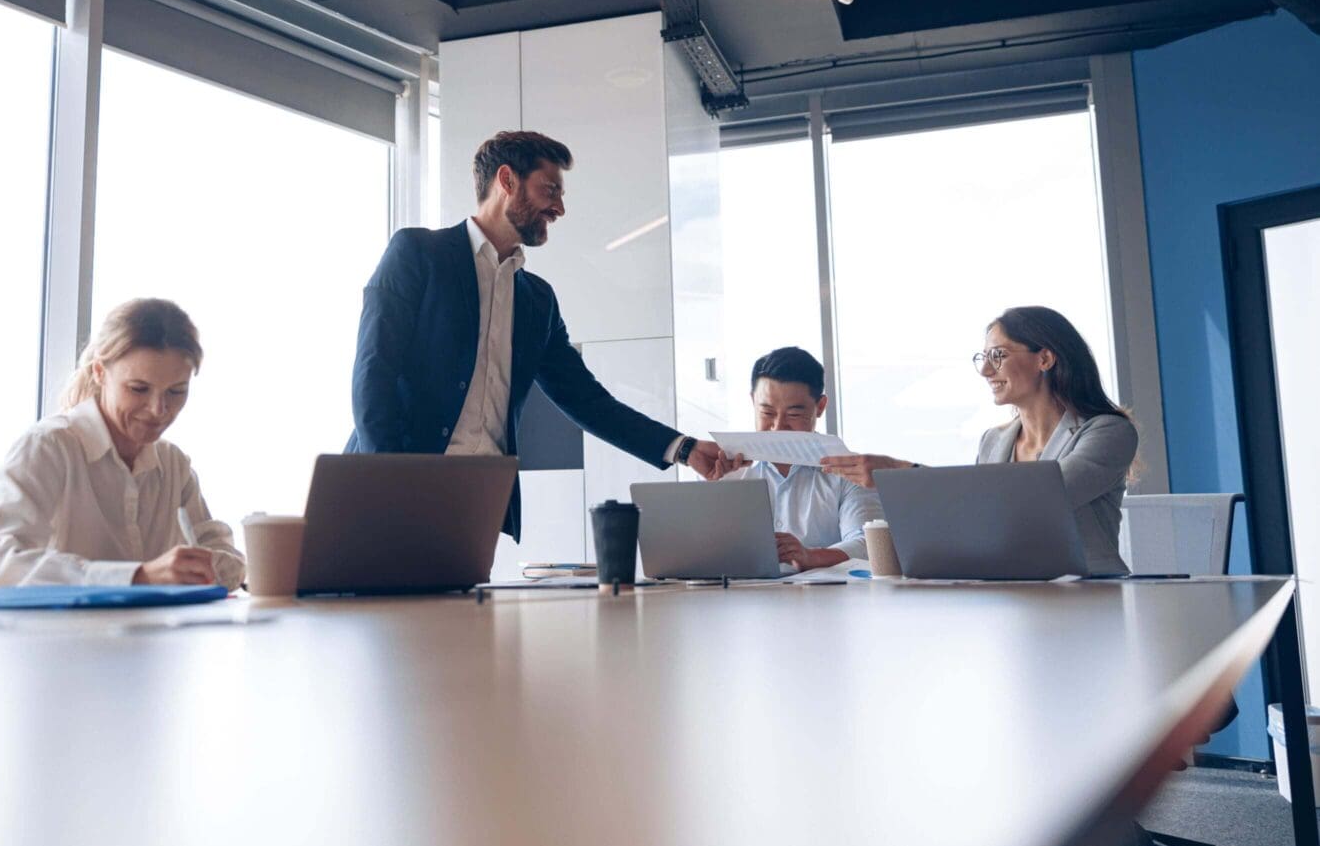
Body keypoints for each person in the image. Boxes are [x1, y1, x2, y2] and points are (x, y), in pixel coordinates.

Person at [347, 130, 735, 540]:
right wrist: (391, 487)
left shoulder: (537, 301)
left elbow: (588, 401)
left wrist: (684, 449)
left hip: (477, 501)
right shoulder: (416, 254)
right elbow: (373, 375)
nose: (559, 208)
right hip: (396, 493)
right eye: (550, 190)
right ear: (507, 180)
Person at [820, 305, 1138, 575]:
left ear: (1044, 359)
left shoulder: (1108, 432)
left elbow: (1036, 501)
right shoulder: (993, 440)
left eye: (998, 355)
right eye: (983, 357)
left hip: (1091, 595)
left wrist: (904, 473)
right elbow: (978, 521)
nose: (985, 370)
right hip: (1012, 596)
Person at [0, 298, 245, 590]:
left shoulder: (173, 465)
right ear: (99, 372)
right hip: (61, 623)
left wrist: (210, 566)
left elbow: (229, 561)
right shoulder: (48, 447)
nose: (158, 410)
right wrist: (138, 576)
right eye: (139, 389)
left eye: (176, 391)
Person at [714, 347, 882, 570]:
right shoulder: (726, 470)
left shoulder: (852, 470)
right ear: (753, 401)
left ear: (820, 407)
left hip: (825, 592)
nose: (778, 427)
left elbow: (869, 543)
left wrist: (811, 557)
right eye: (767, 413)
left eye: (794, 414)